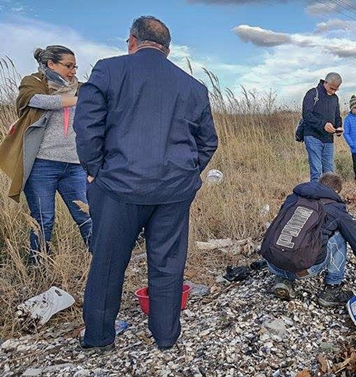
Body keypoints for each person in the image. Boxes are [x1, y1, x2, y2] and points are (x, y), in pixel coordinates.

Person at [74, 16, 218, 352]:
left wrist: (95, 169)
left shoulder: (108, 70)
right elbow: (208, 141)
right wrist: (189, 174)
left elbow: (87, 126)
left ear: (132, 41)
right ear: (168, 49)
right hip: (173, 191)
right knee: (168, 264)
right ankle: (166, 337)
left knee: (108, 262)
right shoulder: (193, 86)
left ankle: (98, 338)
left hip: (119, 187)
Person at [0, 45, 91, 264]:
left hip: (75, 164)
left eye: (75, 66)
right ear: (51, 64)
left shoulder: (81, 88)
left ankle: (100, 262)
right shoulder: (34, 83)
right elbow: (40, 101)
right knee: (43, 219)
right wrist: (82, 100)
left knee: (87, 216)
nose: (73, 71)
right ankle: (38, 267)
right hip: (43, 164)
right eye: (68, 66)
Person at [263, 173, 356, 307]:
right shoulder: (335, 208)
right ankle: (333, 289)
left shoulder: (293, 198)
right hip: (303, 270)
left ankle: (283, 280)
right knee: (340, 236)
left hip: (272, 263)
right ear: (336, 191)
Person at [302, 72, 343, 182]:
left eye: (336, 89)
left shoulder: (335, 98)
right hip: (312, 136)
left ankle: (328, 197)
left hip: (328, 139)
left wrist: (339, 127)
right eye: (332, 88)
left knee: (329, 172)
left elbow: (337, 116)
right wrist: (323, 125)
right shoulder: (312, 93)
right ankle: (316, 198)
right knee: (316, 170)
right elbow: (306, 115)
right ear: (325, 82)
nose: (333, 91)